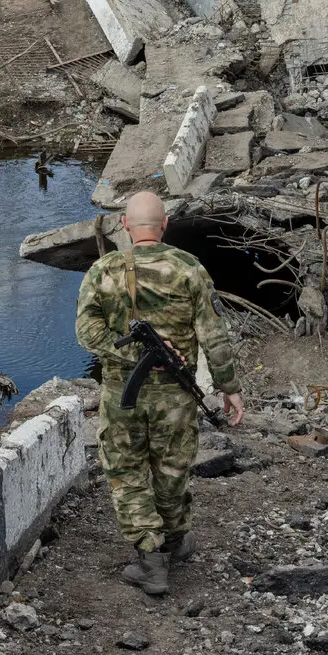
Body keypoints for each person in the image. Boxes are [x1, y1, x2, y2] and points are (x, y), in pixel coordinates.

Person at [75, 190, 245, 596]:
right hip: (175, 397)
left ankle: (153, 559)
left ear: (125, 226)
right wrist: (229, 387)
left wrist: (126, 352)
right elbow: (214, 334)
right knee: (172, 469)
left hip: (122, 396)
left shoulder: (103, 270)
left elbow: (86, 332)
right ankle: (174, 539)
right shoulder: (189, 268)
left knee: (127, 472)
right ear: (165, 225)